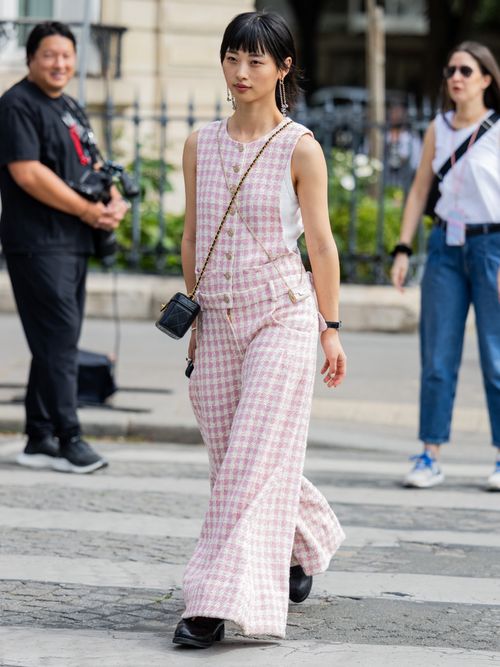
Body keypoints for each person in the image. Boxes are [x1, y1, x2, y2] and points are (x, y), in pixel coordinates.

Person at [172, 10, 346, 648]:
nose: (241, 72)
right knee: (235, 457)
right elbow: (193, 235)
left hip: (282, 314)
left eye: (256, 61)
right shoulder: (199, 142)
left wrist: (330, 327)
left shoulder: (301, 147)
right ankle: (308, 542)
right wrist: (193, 314)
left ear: (283, 68)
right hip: (216, 318)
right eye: (232, 58)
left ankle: (210, 603)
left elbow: (322, 247)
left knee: (249, 459)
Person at [0, 22, 128, 473]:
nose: (59, 64)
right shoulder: (17, 105)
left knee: (58, 340)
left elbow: (93, 163)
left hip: (71, 242)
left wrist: (111, 201)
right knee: (58, 341)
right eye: (49, 55)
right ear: (32, 58)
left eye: (66, 56)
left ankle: (38, 438)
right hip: (37, 244)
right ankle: (69, 436)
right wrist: (87, 211)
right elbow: (27, 173)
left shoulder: (69, 106)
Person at [390, 42, 500, 491]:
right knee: (437, 357)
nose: (455, 77)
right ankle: (429, 454)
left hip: (492, 246)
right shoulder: (438, 127)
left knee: (496, 358)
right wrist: (402, 246)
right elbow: (419, 191)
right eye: (450, 69)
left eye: (466, 71)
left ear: (486, 80)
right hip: (443, 247)